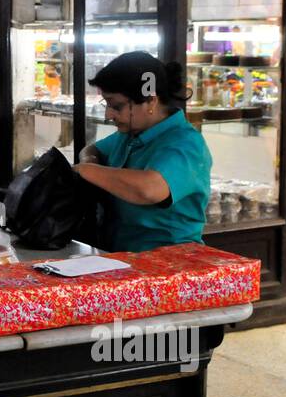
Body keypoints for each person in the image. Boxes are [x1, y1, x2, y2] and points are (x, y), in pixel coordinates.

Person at [76, 52, 210, 252]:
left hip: (169, 262)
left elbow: (149, 189)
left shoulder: (186, 144)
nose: (108, 115)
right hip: (119, 254)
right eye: (107, 105)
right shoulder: (130, 135)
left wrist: (86, 171)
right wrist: (91, 162)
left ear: (150, 100)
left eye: (117, 106)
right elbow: (92, 148)